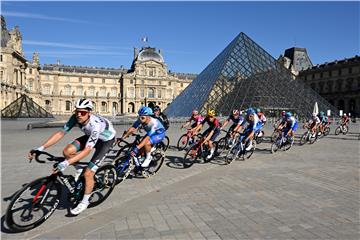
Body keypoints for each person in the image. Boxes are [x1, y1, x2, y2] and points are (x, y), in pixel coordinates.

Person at [28, 98, 116, 215]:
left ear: (89, 113)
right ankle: (79, 169)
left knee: (89, 173)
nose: (79, 115)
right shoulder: (75, 118)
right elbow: (60, 133)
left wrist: (66, 163)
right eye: (77, 111)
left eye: (83, 112)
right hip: (91, 137)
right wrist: (41, 148)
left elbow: (87, 150)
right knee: (67, 152)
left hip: (105, 141)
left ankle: (84, 202)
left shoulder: (95, 125)